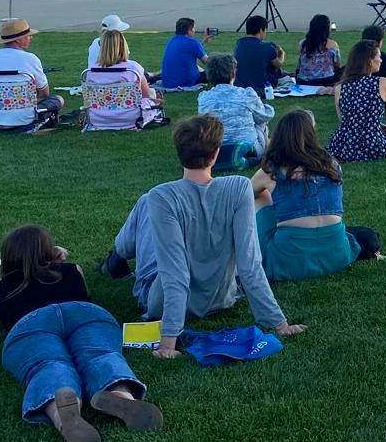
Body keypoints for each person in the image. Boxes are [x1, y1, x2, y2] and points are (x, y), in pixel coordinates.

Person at [108, 115, 303, 359]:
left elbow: (175, 272)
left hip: (161, 301)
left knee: (146, 203)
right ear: (216, 152)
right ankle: (117, 255)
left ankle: (116, 256)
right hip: (221, 297)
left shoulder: (161, 196)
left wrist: (168, 342)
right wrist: (279, 324)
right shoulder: (239, 187)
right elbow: (249, 263)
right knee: (152, 204)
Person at [0, 225, 159, 442]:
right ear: (51, 252)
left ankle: (62, 412)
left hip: (31, 324)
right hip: (84, 313)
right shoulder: (73, 270)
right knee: (101, 355)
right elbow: (86, 293)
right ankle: (121, 396)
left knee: (48, 364)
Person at [253, 111, 367, 281]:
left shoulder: (271, 171)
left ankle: (254, 245)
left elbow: (244, 194)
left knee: (261, 197)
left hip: (289, 262)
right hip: (337, 254)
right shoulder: (332, 165)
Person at [0, 18, 64, 132]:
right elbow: (44, 93)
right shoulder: (30, 59)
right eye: (28, 35)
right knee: (57, 99)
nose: (30, 38)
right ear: (18, 40)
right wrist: (21, 99)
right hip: (22, 120)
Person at [330, 40, 386, 159]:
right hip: (373, 144)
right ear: (370, 61)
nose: (381, 60)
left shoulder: (340, 86)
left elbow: (343, 119)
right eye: (379, 57)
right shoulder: (383, 83)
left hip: (344, 144)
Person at [197, 54, 273, 165]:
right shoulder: (246, 94)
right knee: (260, 123)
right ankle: (264, 152)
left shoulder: (203, 97)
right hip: (249, 148)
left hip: (214, 148)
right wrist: (267, 107)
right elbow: (265, 116)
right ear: (233, 73)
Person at [82, 29, 164, 130]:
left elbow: (89, 99)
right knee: (152, 93)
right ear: (123, 46)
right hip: (131, 118)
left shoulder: (91, 71)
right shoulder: (132, 68)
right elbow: (145, 96)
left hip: (98, 119)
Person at [233, 15, 284, 98]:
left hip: (240, 85)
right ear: (261, 30)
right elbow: (279, 64)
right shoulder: (268, 47)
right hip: (262, 86)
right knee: (281, 73)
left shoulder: (239, 44)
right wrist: (282, 53)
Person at [158, 18, 209, 92]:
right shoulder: (193, 42)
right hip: (187, 81)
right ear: (189, 30)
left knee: (195, 67)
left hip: (168, 82)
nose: (194, 31)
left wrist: (204, 42)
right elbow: (207, 62)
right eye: (193, 28)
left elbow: (190, 51)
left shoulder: (171, 40)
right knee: (215, 73)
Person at [295, 14, 342, 87]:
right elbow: (337, 67)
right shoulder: (333, 45)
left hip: (304, 80)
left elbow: (300, 64)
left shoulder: (303, 43)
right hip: (325, 80)